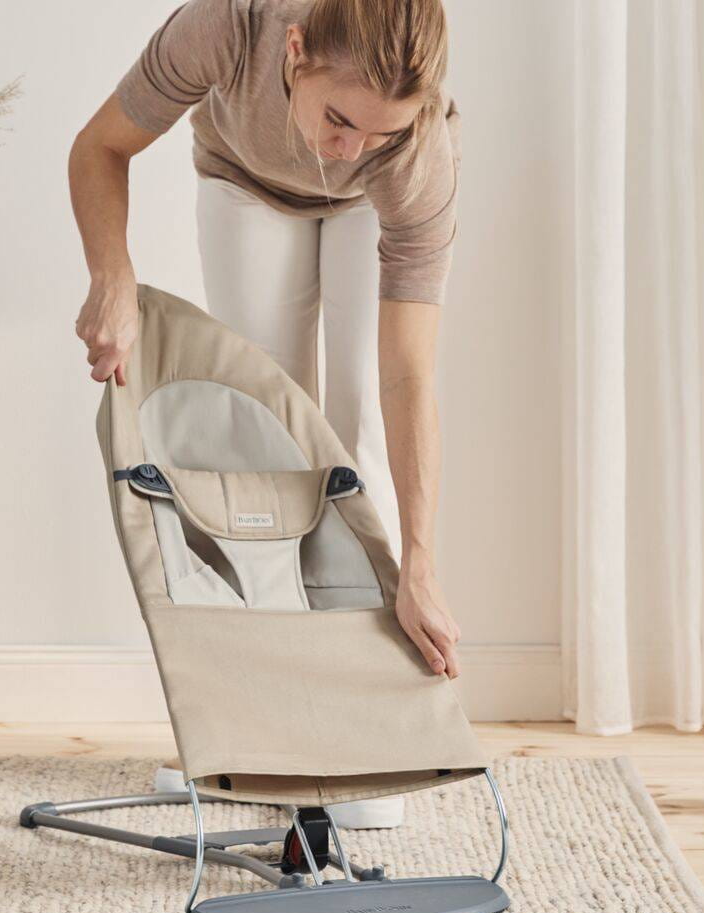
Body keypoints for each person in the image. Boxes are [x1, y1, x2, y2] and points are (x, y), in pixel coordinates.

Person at [69, 0, 460, 828]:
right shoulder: (230, 24)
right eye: (339, 119)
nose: (351, 147)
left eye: (380, 132)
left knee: (356, 439)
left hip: (370, 211)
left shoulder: (410, 155)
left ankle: (365, 743)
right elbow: (99, 145)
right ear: (293, 49)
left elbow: (408, 375)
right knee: (262, 452)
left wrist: (422, 562)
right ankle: (260, 737)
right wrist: (113, 276)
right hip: (244, 181)